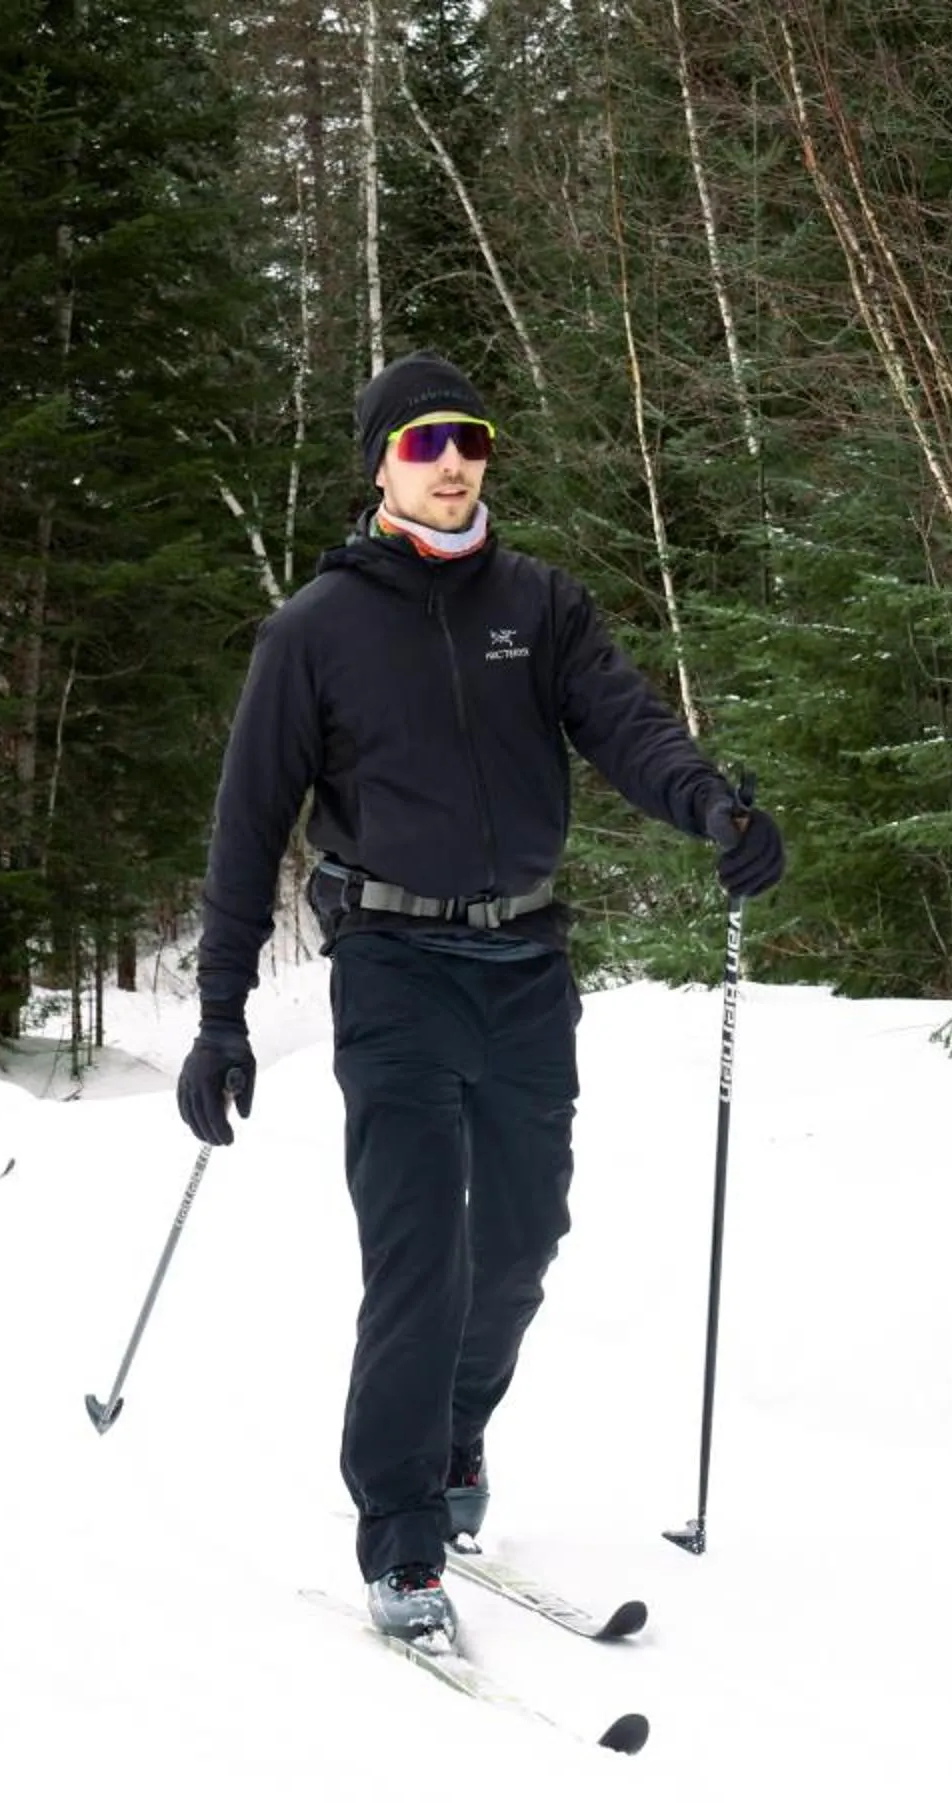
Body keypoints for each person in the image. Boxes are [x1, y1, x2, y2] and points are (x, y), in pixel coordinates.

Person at [177, 352, 785, 1644]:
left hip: (526, 966)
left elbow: (628, 730)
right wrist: (219, 1013)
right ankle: (398, 1530)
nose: (452, 459)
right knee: (421, 1253)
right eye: (421, 442)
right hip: (393, 969)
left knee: (521, 1237)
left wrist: (714, 810)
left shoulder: (541, 607)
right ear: (383, 466)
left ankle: (453, 1438)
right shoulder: (316, 632)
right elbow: (247, 830)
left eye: (469, 436)